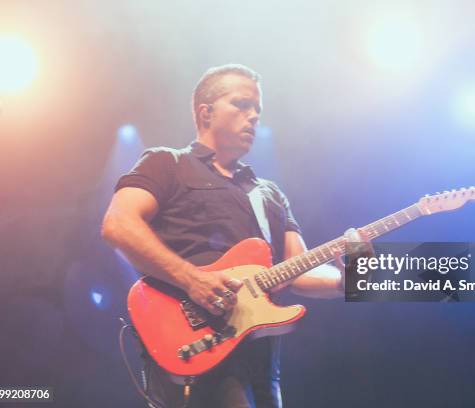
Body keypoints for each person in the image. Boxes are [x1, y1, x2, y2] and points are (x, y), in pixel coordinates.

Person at [101, 64, 362, 408]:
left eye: (257, 109)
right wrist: (192, 280)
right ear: (205, 113)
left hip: (260, 357)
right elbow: (118, 224)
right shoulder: (168, 163)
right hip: (194, 340)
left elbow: (298, 268)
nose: (253, 116)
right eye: (241, 104)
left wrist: (350, 274)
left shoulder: (269, 193)